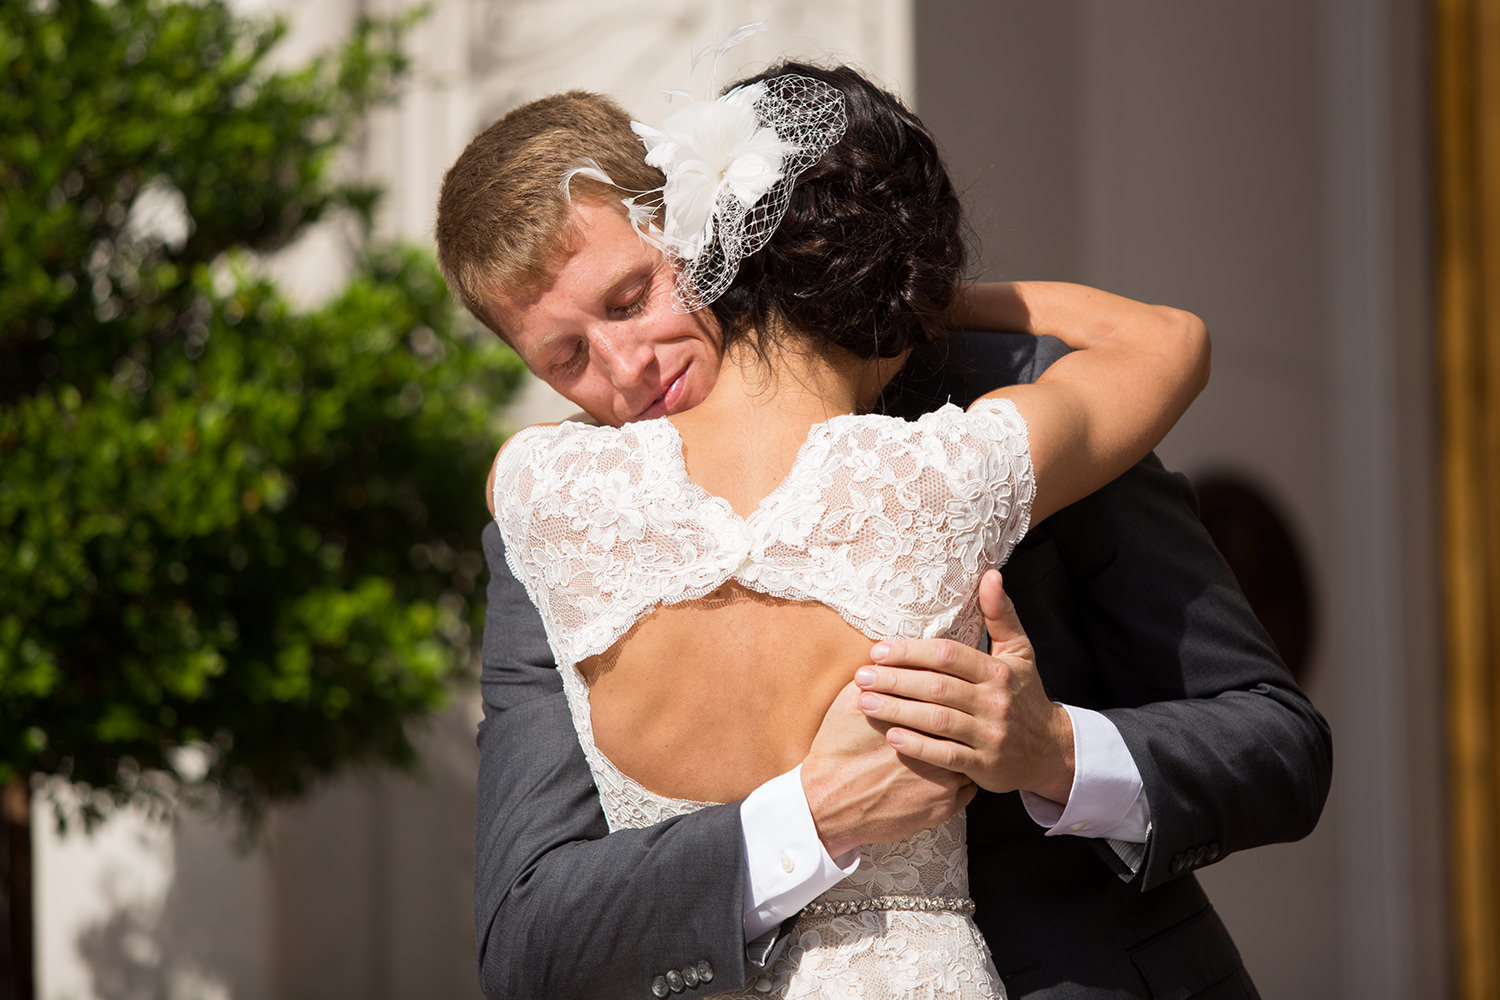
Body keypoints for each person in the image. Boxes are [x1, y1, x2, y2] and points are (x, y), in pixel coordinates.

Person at [437, 66, 1332, 1000]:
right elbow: (531, 930)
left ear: (700, 239)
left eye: (629, 301)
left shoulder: (1006, 395)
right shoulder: (558, 523)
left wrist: (1054, 751)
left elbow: (1276, 744)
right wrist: (807, 821)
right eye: (567, 358)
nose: (627, 367)